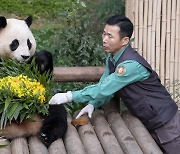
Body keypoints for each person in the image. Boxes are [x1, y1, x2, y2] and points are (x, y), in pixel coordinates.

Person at [49, 15, 180, 153]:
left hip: (167, 124)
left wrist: (69, 96)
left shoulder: (130, 65)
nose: (104, 39)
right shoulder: (112, 58)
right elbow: (107, 85)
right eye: (104, 34)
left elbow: (103, 88)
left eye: (110, 36)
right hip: (151, 121)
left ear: (125, 40)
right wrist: (93, 104)